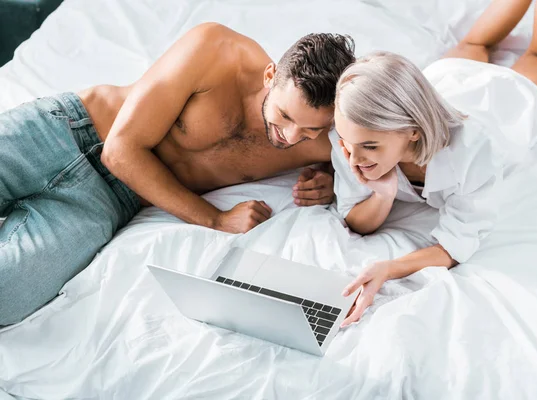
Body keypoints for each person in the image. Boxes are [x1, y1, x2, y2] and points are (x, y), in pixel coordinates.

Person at [0, 24, 356, 326]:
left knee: (8, 295)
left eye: (310, 130)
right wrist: (216, 220)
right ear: (269, 76)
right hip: (66, 130)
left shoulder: (329, 141)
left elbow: (402, 156)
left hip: (109, 200)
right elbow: (120, 151)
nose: (291, 137)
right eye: (285, 115)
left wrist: (330, 178)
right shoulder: (217, 49)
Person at [331, 0, 537, 327]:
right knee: (474, 44)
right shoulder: (354, 131)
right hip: (447, 80)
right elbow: (356, 219)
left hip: (503, 104)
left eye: (369, 147)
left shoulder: (474, 156)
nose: (353, 159)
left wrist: (390, 268)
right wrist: (382, 195)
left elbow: (453, 248)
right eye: (348, 143)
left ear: (411, 131)